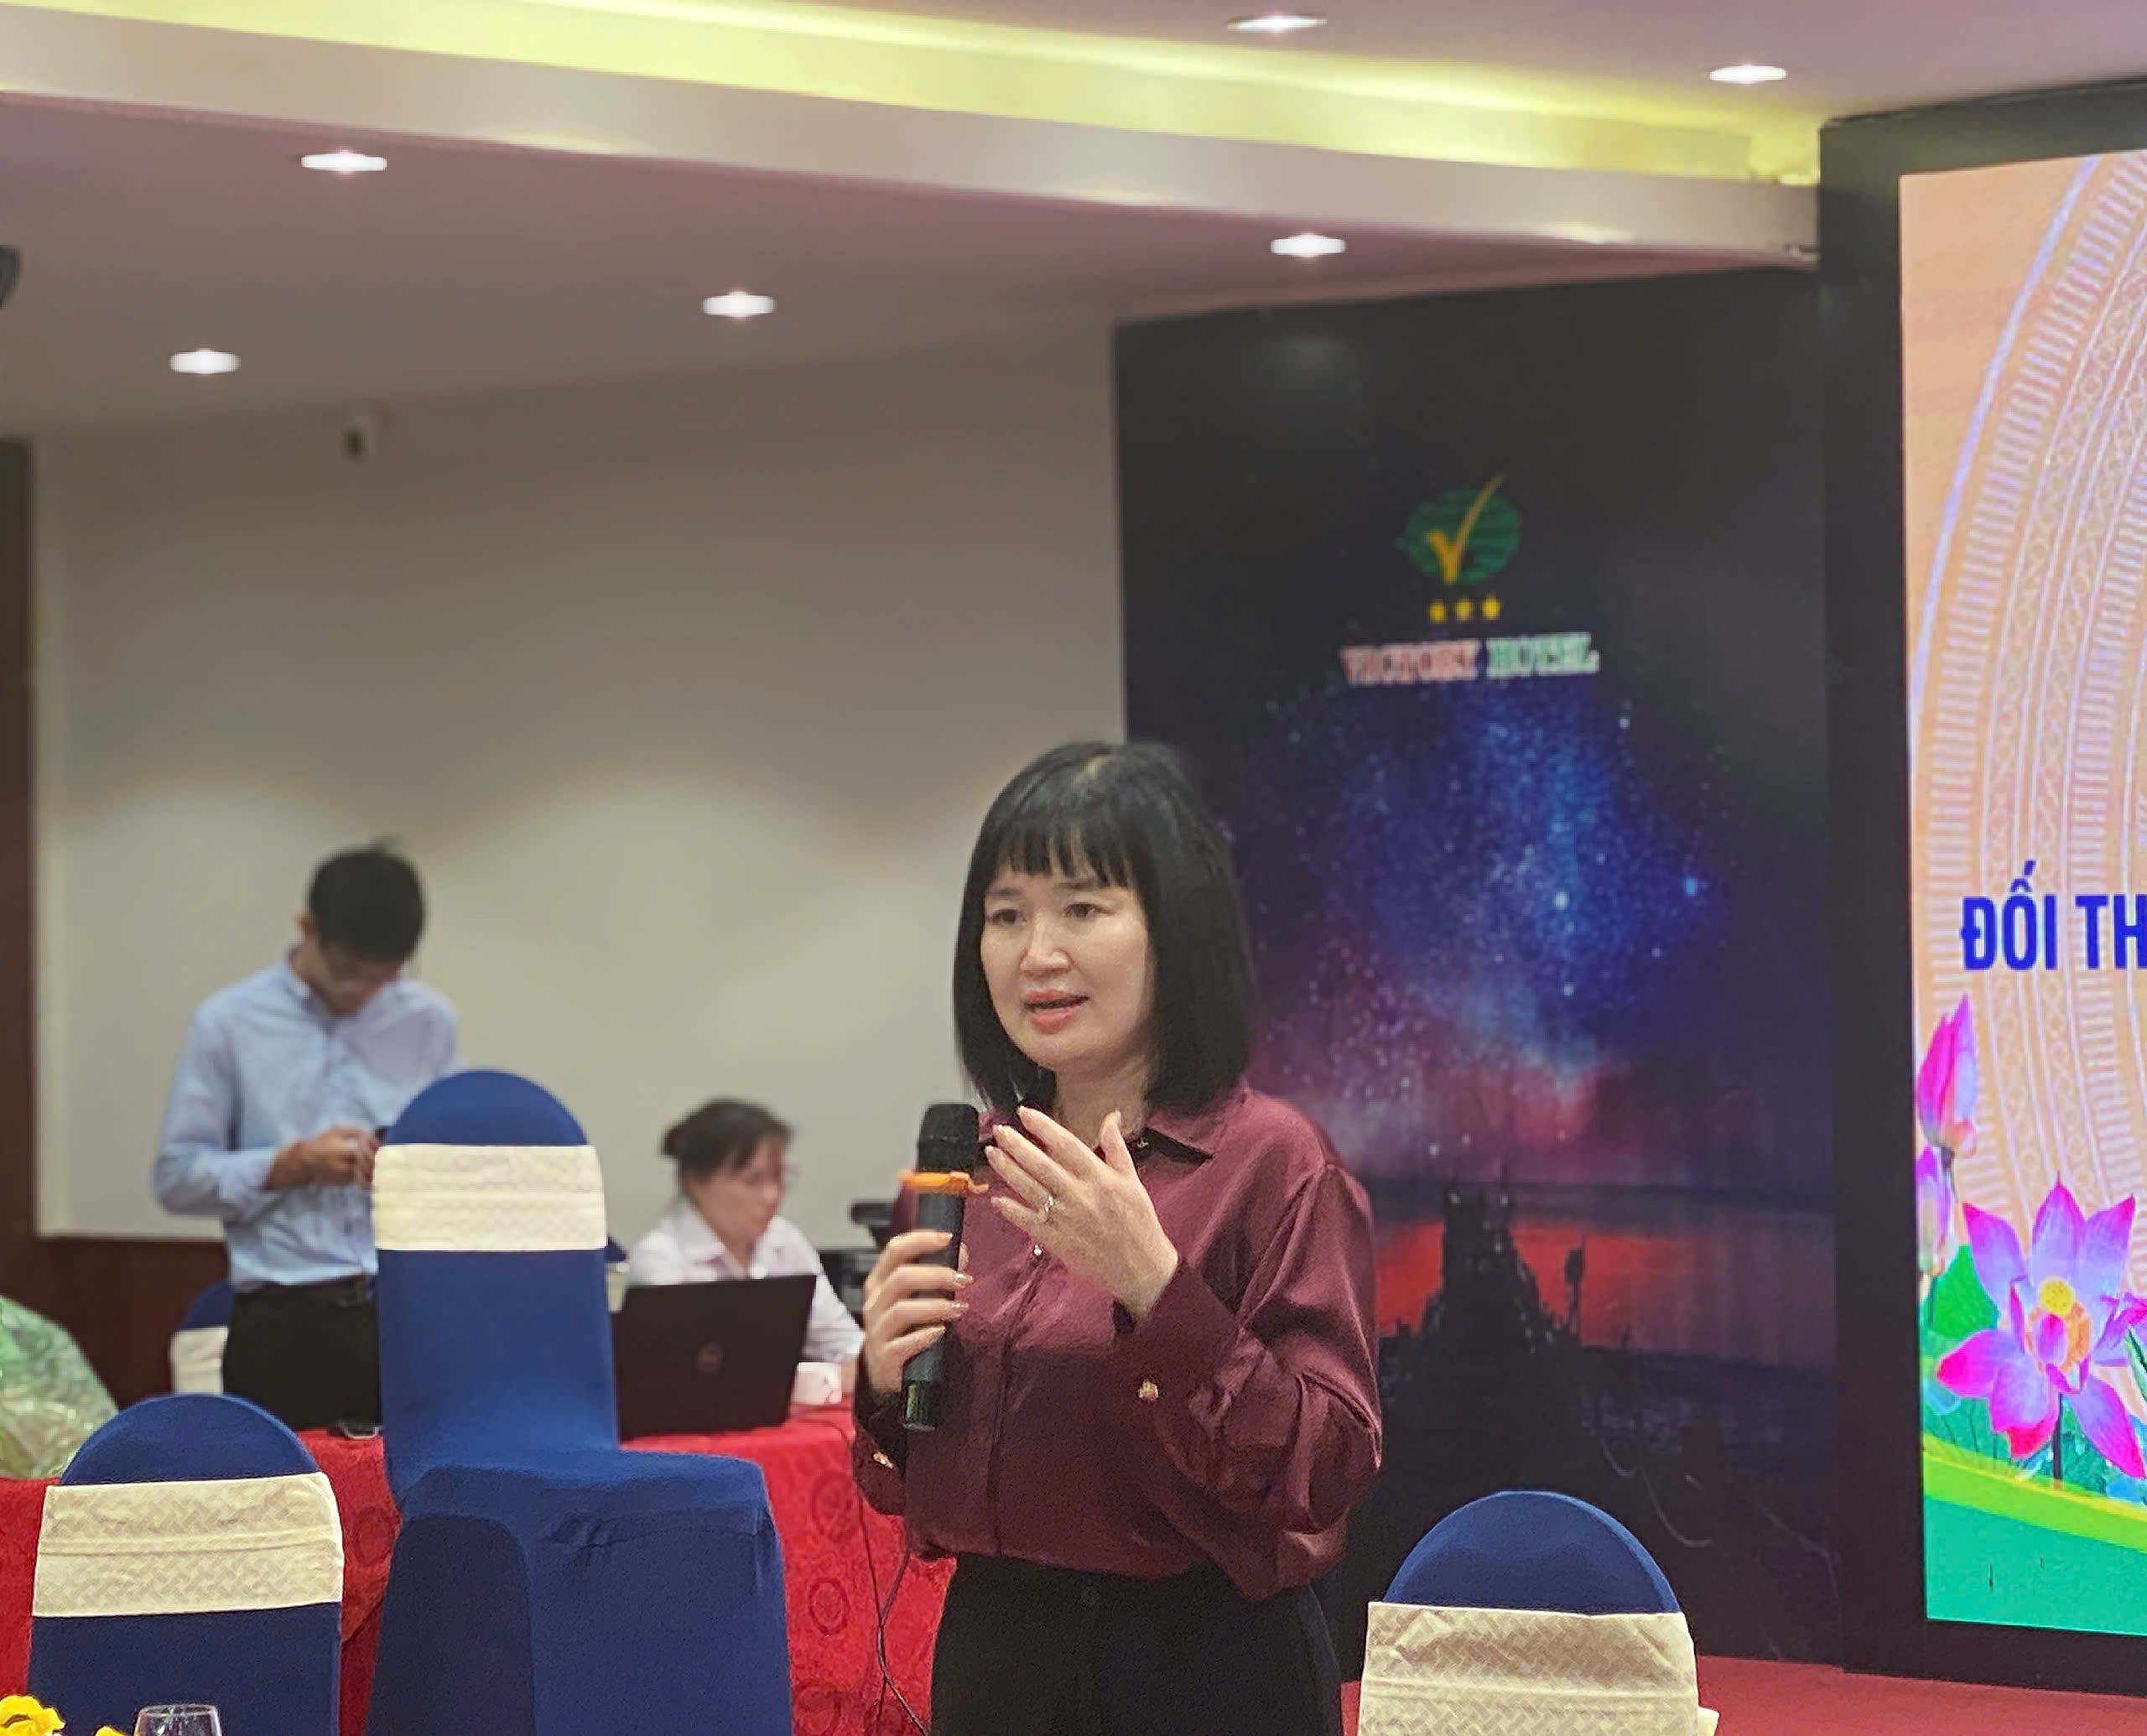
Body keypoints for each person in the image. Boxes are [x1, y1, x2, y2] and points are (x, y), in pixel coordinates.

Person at [852, 741, 1380, 1736]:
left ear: (1174, 930)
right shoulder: (969, 1172)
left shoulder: (1273, 1163)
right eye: (1006, 915)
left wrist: (1156, 1290)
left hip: (1200, 1665)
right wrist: (882, 1383)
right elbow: (913, 1475)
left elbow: (1330, 1466)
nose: (1037, 954)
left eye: (1082, 909)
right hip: (995, 1656)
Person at [153, 845, 458, 1431]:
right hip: (283, 1324)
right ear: (307, 927)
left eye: (384, 978)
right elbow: (176, 1177)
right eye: (349, 974)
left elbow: (448, 1155)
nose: (365, 993)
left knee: (413, 1484)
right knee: (285, 1485)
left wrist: (407, 1165)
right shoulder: (229, 1023)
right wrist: (289, 1166)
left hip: (403, 1313)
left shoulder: (427, 1021)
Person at [626, 1099, 864, 1386]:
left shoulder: (784, 1240)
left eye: (779, 1177)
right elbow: (688, 1376)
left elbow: (843, 1341)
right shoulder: (661, 1260)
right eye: (752, 1181)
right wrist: (823, 1379)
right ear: (695, 1182)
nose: (772, 1195)